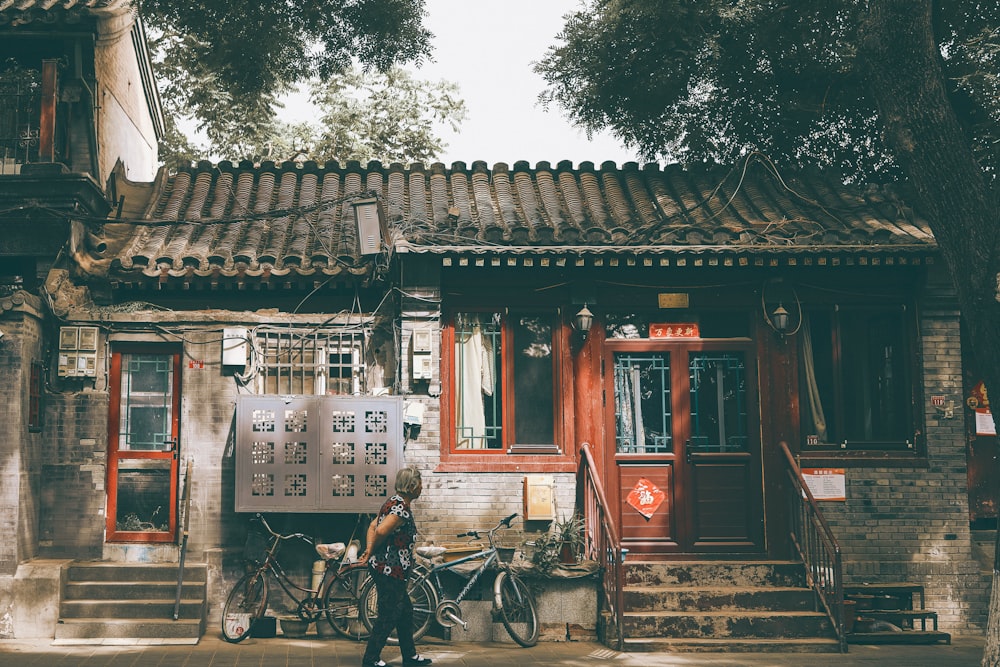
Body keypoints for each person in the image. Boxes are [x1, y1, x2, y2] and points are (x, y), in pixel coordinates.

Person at [359, 466, 432, 667]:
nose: (422, 487)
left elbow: (373, 526)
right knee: (389, 613)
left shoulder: (392, 502)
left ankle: (410, 656)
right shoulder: (400, 508)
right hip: (389, 569)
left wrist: (369, 550)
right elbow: (380, 530)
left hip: (389, 569)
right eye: (420, 483)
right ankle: (371, 658)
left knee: (405, 611)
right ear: (411, 486)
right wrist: (372, 550)